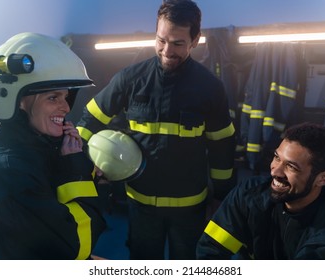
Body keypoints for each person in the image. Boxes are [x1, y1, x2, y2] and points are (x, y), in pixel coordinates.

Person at [77, 0, 236, 259]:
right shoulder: (129, 79)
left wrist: (221, 198)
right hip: (141, 205)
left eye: (177, 43)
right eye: (161, 40)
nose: (166, 50)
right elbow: (89, 119)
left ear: (195, 41)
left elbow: (222, 146)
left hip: (190, 208)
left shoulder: (210, 88)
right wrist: (81, 163)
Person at [0, 32, 106, 259]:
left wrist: (77, 163)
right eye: (53, 98)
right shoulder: (9, 173)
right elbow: (77, 245)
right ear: (18, 101)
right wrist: (75, 172)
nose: (65, 108)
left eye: (66, 97)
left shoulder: (33, 151)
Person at [196, 122, 325, 259]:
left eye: (291, 166)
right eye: (276, 157)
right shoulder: (249, 195)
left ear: (323, 178)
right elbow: (210, 252)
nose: (275, 171)